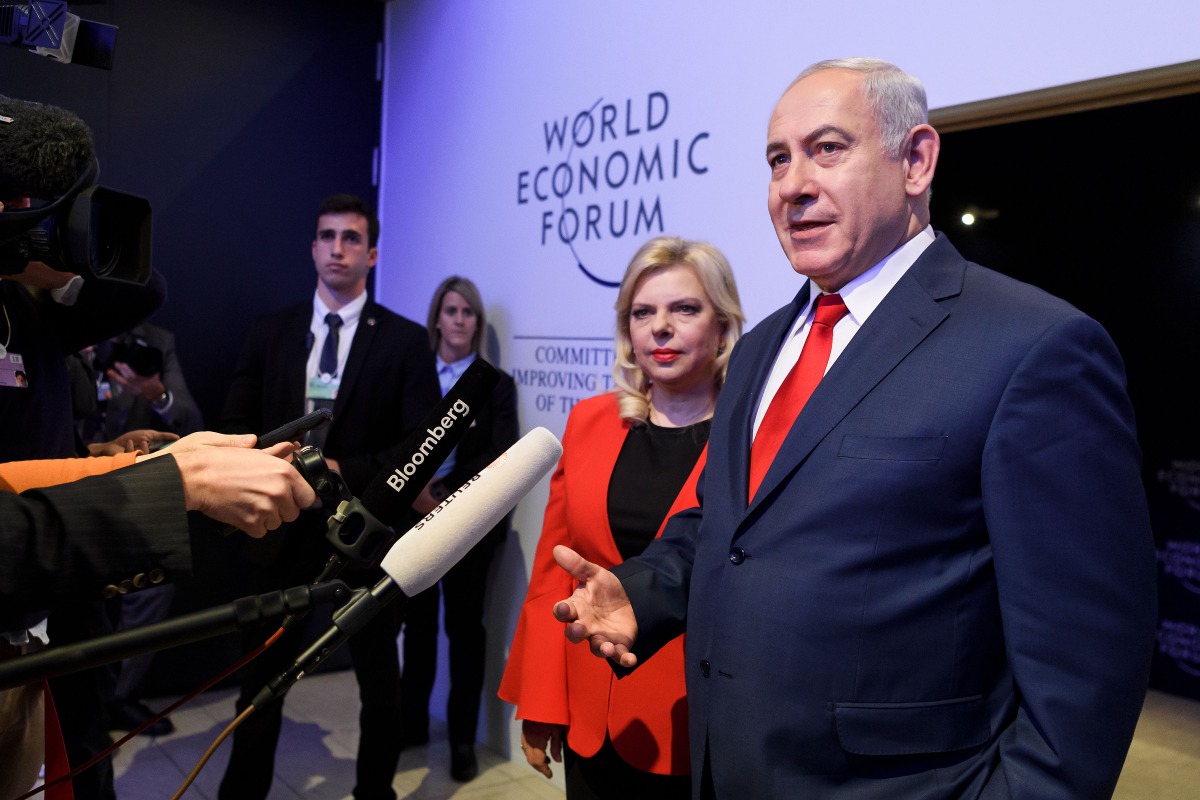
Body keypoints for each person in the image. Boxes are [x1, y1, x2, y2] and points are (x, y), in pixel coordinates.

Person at [550, 58, 1158, 799]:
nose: (792, 185)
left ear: (917, 160)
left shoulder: (1034, 348)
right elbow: (726, 527)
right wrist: (640, 590)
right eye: (779, 159)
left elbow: (1087, 661)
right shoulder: (761, 349)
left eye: (828, 149)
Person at [500, 237, 745, 798]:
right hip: (593, 716)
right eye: (643, 312)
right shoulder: (589, 422)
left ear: (722, 324)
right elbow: (551, 575)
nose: (660, 327)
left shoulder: (752, 437)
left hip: (699, 719)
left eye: (684, 308)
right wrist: (541, 700)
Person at [218, 194, 440, 800]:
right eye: (327, 236)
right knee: (260, 683)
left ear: (370, 254)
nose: (337, 248)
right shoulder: (272, 332)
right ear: (313, 248)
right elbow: (236, 421)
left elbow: (420, 444)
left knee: (378, 683)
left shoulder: (404, 340)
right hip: (278, 532)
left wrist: (343, 466)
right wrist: (267, 459)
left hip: (364, 536)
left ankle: (376, 793)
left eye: (350, 238)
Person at [399, 276, 518, 782]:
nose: (460, 320)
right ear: (437, 319)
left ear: (477, 323)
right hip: (411, 522)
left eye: (468, 312)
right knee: (419, 630)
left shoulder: (496, 384)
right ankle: (410, 726)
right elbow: (397, 442)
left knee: (466, 634)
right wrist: (418, 497)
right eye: (451, 311)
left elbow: (502, 456)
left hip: (468, 528)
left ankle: (464, 743)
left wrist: (450, 501)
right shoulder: (414, 376)